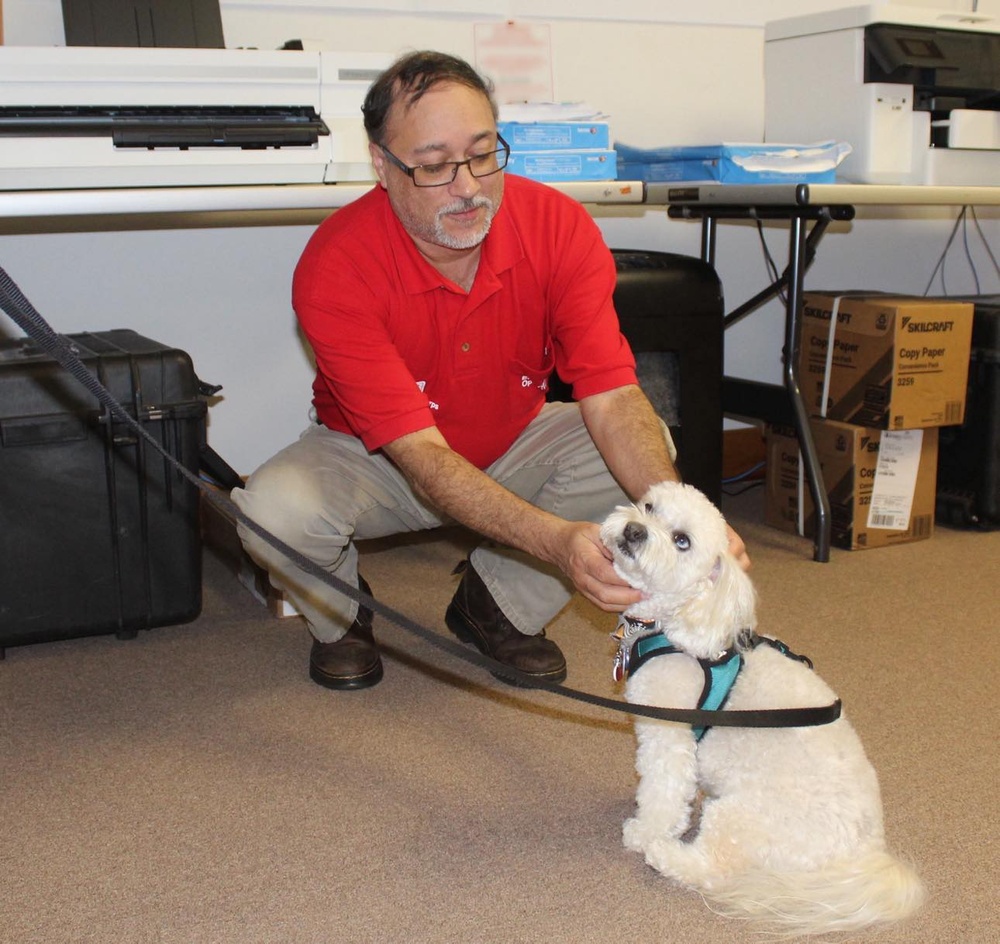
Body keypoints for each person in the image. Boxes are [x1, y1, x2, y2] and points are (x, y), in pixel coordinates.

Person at [233, 50, 748, 691]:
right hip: (379, 460)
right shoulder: (336, 264)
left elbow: (613, 394)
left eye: (482, 153)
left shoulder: (558, 226)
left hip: (511, 441)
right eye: (434, 166)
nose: (470, 186)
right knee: (270, 513)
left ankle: (494, 606)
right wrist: (554, 541)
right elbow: (420, 455)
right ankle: (342, 616)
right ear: (381, 165)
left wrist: (685, 522)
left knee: (647, 455)